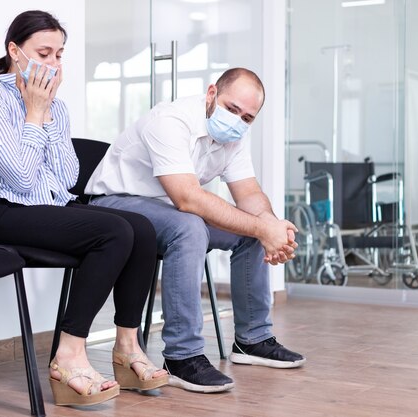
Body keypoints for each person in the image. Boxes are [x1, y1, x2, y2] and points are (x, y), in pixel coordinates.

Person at [0, 10, 168, 407]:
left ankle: (127, 347)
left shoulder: (58, 105)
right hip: (0, 213)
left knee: (141, 228)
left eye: (59, 55)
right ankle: (68, 355)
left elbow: (68, 176)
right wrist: (35, 113)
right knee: (115, 232)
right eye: (44, 52)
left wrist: (49, 113)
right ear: (14, 51)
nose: (53, 63)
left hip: (45, 209)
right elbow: (21, 179)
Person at [85, 67, 306, 393]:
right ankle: (181, 357)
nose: (237, 120)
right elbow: (188, 198)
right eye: (232, 109)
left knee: (250, 232)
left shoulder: (234, 137)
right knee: (189, 227)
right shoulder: (171, 120)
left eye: (247, 118)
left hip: (168, 209)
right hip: (116, 204)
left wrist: (271, 228)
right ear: (212, 93)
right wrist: (263, 227)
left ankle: (252, 339)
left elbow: (249, 196)